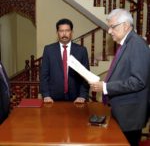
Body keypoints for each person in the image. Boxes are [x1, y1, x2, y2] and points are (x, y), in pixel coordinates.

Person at [89, 9, 150, 146]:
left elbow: (138, 81)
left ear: (126, 25)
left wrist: (106, 87)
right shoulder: (127, 43)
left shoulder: (137, 44)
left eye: (112, 27)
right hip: (123, 111)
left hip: (130, 116)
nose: (109, 32)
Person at [40, 18, 89, 103]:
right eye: (61, 31)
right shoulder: (48, 50)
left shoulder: (81, 51)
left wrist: (82, 95)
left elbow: (85, 76)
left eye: (67, 30)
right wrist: (46, 95)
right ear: (57, 32)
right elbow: (44, 76)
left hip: (76, 98)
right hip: (52, 99)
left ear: (72, 32)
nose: (64, 34)